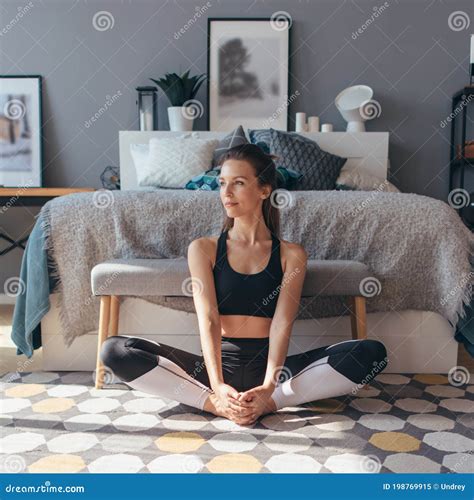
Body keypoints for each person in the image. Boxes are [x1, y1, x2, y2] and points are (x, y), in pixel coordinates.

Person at [100, 144, 388, 425]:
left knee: (371, 353)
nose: (226, 192)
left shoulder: (291, 254)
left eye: (238, 183)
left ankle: (270, 403)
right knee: (115, 351)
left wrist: (267, 387)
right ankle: (215, 405)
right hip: (213, 369)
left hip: (274, 372)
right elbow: (209, 320)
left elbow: (281, 324)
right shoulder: (203, 249)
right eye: (222, 183)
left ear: (264, 190)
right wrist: (216, 388)